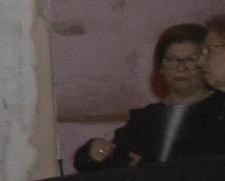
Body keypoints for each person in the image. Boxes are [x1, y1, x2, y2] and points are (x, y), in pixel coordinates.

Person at [74, 23, 225, 171]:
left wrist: (148, 167)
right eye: (170, 60)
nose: (180, 69)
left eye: (190, 60)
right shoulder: (145, 118)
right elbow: (103, 163)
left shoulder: (220, 108)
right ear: (159, 66)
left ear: (204, 62)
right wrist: (94, 152)